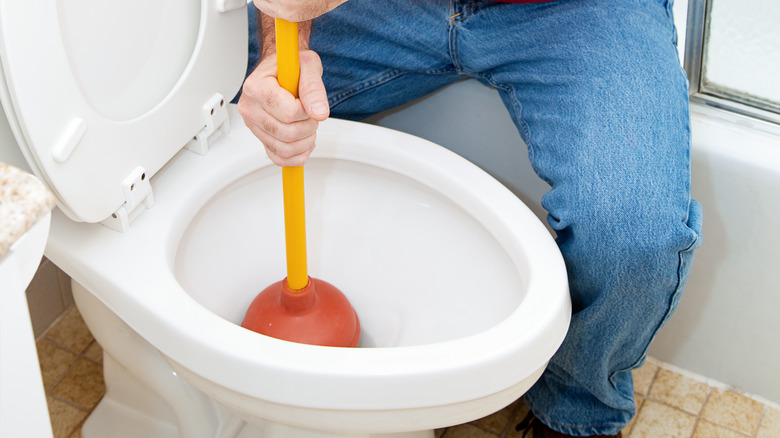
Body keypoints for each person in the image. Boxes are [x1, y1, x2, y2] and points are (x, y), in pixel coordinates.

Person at [237, 0, 703, 436]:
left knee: (634, 235)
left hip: (576, 12)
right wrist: (284, 46)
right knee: (216, 101)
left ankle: (574, 411)